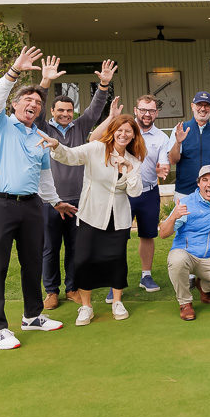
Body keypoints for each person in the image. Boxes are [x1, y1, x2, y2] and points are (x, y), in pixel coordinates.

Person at [0, 46, 65, 350]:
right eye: (27, 100)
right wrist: (14, 70)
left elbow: (44, 177)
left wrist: (55, 202)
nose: (33, 104)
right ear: (14, 105)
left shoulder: (39, 138)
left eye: (38, 102)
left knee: (32, 262)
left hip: (30, 206)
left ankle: (32, 315)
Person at [37, 115, 146, 327]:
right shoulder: (96, 148)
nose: (123, 134)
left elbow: (135, 192)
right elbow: (69, 156)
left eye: (128, 131)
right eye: (120, 130)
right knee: (84, 260)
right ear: (113, 131)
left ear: (134, 135)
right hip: (91, 215)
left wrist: (128, 170)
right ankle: (86, 307)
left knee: (117, 261)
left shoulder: (134, 160)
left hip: (119, 218)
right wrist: (57, 145)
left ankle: (117, 302)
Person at [35, 56, 114, 309]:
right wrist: (45, 82)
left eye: (69, 110)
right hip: (50, 201)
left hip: (79, 200)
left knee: (75, 247)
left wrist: (103, 86)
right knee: (50, 249)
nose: (66, 114)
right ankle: (51, 291)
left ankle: (72, 288)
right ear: (53, 112)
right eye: (61, 110)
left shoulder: (81, 127)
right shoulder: (42, 127)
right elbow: (38, 104)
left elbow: (95, 109)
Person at [90, 94, 172, 295]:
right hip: (121, 193)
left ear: (156, 113)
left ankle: (146, 275)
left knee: (147, 235)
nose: (147, 114)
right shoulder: (123, 130)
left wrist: (162, 170)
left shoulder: (162, 137)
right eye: (143, 109)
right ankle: (115, 281)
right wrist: (110, 118)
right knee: (118, 237)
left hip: (148, 194)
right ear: (136, 110)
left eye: (151, 110)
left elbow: (163, 163)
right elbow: (93, 140)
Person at [159, 165, 210, 320]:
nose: (209, 184)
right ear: (199, 183)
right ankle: (185, 303)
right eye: (205, 180)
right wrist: (174, 216)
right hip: (185, 254)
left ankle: (202, 285)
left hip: (209, 257)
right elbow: (163, 234)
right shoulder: (186, 203)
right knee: (177, 260)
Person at [168, 90, 210, 201]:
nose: (203, 109)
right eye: (199, 105)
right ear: (192, 106)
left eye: (206, 105)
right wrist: (178, 142)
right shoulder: (180, 129)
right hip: (184, 192)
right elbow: (172, 160)